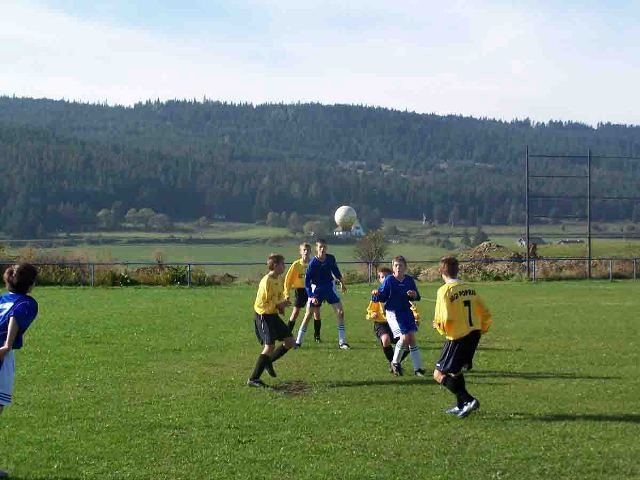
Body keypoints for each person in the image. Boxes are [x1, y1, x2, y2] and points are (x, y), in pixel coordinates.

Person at [432, 256, 492, 418]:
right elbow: (485, 312)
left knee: (438, 374)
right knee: (456, 371)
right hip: (474, 334)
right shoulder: (469, 288)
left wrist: (438, 326)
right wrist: (482, 328)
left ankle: (468, 400)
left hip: (457, 337)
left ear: (441, 272)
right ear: (457, 270)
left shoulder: (444, 291)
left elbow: (443, 319)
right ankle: (460, 405)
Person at [0, 263, 39, 479]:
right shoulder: (28, 302)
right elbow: (16, 316)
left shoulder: (1, 299)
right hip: (2, 356)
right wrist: (7, 344)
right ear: (31, 284)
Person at [371, 256, 425, 376]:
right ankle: (395, 363)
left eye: (400, 265)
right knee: (404, 338)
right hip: (393, 313)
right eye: (396, 265)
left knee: (412, 340)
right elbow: (382, 296)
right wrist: (376, 294)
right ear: (393, 267)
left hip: (406, 311)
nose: (398, 268)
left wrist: (413, 294)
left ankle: (418, 369)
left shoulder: (409, 280)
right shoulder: (389, 280)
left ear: (405, 267)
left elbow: (417, 297)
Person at [247, 254, 294, 388]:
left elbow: (277, 298)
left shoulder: (278, 279)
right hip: (263, 315)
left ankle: (268, 361)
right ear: (275, 265)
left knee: (290, 341)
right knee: (269, 346)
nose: (284, 267)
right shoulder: (266, 281)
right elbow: (262, 303)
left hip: (272, 315)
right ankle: (253, 378)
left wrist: (281, 306)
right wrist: (279, 305)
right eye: (282, 264)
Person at [297, 239, 350, 349]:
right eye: (320, 247)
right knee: (308, 315)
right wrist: (311, 296)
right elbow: (307, 283)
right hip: (316, 290)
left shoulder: (330, 258)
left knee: (340, 312)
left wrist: (342, 283)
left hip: (329, 288)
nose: (322, 249)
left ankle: (342, 342)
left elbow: (335, 271)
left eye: (324, 247)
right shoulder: (313, 263)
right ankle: (298, 342)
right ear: (316, 248)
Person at [283, 242, 321, 337]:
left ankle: (317, 336)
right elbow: (288, 280)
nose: (306, 252)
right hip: (300, 290)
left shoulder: (314, 263)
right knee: (295, 312)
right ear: (300, 252)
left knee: (316, 313)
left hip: (313, 291)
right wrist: (286, 294)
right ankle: (287, 334)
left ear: (310, 251)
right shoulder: (296, 265)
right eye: (304, 250)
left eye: (308, 250)